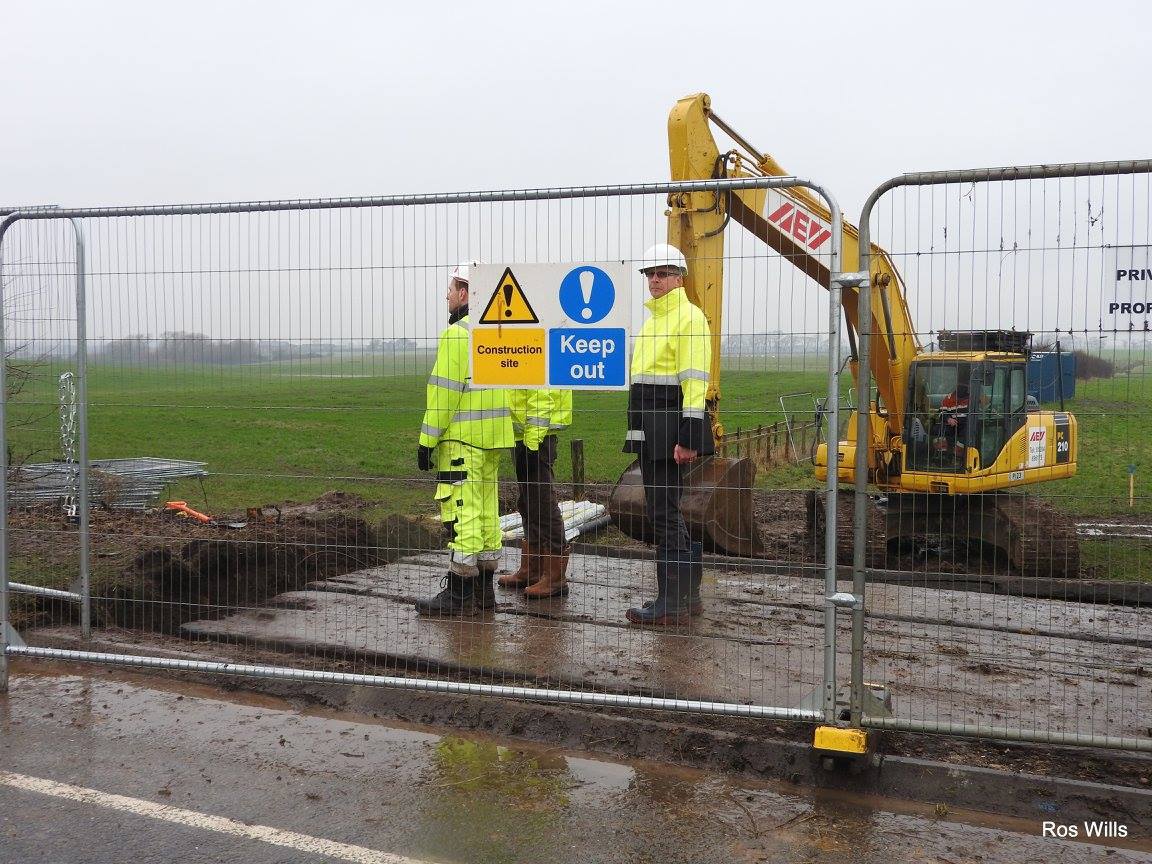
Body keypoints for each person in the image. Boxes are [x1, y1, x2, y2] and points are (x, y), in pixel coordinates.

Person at [415, 262, 515, 616]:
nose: (446, 295)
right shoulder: (495, 332)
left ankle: (458, 595)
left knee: (463, 514)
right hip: (492, 439)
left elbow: (444, 393)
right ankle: (483, 593)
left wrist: (427, 440)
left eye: (450, 288)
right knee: (488, 514)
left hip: (462, 440)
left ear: (463, 293)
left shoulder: (458, 334)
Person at [622, 243, 714, 625]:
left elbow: (695, 381)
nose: (655, 280)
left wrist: (689, 437)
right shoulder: (653, 321)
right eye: (650, 274)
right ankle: (686, 597)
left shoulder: (689, 318)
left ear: (680, 277)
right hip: (649, 426)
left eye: (663, 273)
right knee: (665, 510)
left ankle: (672, 602)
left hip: (669, 429)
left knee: (662, 513)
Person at [496, 387, 574, 598]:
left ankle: (555, 577)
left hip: (537, 435)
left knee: (543, 503)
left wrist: (533, 440)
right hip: (523, 432)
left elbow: (541, 393)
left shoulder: (538, 353)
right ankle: (532, 570)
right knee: (528, 501)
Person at [940, 381, 970, 459]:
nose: (962, 389)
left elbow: (984, 405)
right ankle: (945, 455)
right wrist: (948, 419)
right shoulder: (949, 398)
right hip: (952, 425)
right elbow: (941, 413)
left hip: (967, 424)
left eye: (965, 386)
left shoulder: (973, 398)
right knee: (942, 430)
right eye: (960, 386)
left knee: (967, 431)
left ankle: (958, 455)